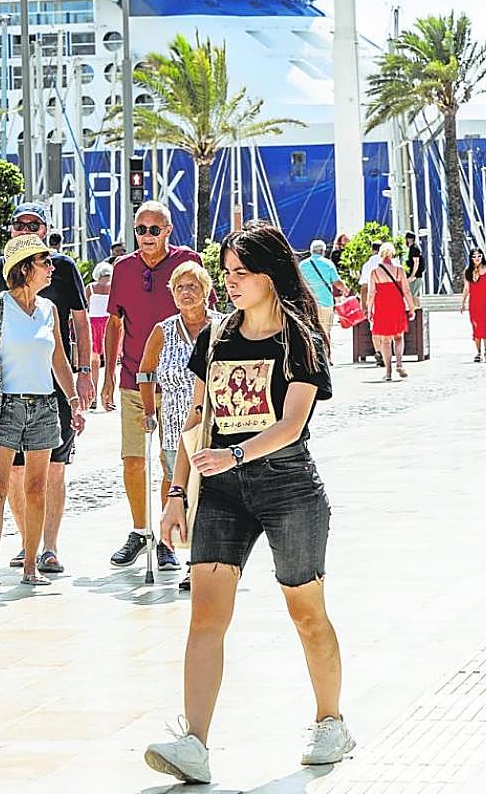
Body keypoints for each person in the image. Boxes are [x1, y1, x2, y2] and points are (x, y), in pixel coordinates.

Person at [145, 221, 353, 785]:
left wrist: (235, 455)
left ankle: (330, 720)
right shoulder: (214, 338)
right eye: (227, 273)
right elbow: (196, 419)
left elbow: (292, 425)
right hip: (221, 493)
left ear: (269, 276)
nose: (230, 283)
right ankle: (195, 742)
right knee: (206, 615)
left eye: (241, 274)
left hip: (287, 486)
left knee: (305, 612)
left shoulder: (299, 339)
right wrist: (176, 493)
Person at [0, 202, 93, 575]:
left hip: (44, 406)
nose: (52, 268)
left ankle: (31, 566)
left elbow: (58, 359)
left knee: (38, 486)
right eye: (45, 263)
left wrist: (74, 398)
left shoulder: (48, 310)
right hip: (3, 405)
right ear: (26, 268)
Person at [101, 199, 202, 571]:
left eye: (153, 230)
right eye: (140, 229)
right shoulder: (123, 269)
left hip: (179, 381)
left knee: (171, 463)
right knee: (133, 461)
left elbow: (202, 306)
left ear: (168, 231)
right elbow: (114, 323)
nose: (146, 236)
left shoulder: (186, 261)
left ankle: (166, 536)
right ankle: (139, 530)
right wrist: (106, 376)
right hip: (133, 378)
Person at [136, 261, 218, 591]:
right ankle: (174, 544)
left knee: (208, 492)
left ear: (206, 292)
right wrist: (147, 410)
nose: (186, 293)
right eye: (180, 287)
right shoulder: (163, 330)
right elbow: (145, 372)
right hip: (174, 426)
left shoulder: (222, 326)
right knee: (177, 486)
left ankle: (198, 560)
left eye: (193, 287)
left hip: (214, 426)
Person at [367, 243, 416, 382]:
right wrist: (411, 307)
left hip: (382, 306)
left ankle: (388, 372)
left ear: (380, 254)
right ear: (393, 254)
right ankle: (399, 363)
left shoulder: (375, 272)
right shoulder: (399, 270)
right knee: (399, 337)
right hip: (397, 305)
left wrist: (369, 310)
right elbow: (406, 290)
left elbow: (371, 293)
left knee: (385, 340)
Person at [299, 239, 347, 336]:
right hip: (325, 302)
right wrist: (346, 290)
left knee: (310, 332)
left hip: (309, 303)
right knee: (325, 331)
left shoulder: (302, 265)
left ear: (311, 251)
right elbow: (337, 283)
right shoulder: (328, 264)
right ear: (323, 251)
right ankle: (325, 350)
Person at [461, 247, 486, 362]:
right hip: (474, 303)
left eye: (479, 256)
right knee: (476, 326)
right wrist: (462, 302)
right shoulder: (468, 271)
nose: (477, 258)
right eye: (474, 256)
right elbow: (466, 288)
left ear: (482, 256)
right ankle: (478, 352)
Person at [87, 261, 114, 410]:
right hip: (110, 323)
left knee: (94, 363)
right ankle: (109, 399)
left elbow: (84, 307)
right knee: (111, 364)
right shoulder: (115, 287)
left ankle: (93, 398)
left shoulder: (90, 288)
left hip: (93, 324)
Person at [405, 232, 425, 300]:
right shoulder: (412, 248)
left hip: (416, 276)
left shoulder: (414, 249)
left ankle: (416, 310)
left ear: (409, 239)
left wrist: (412, 275)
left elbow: (416, 262)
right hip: (416, 275)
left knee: (413, 295)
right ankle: (416, 310)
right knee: (414, 296)